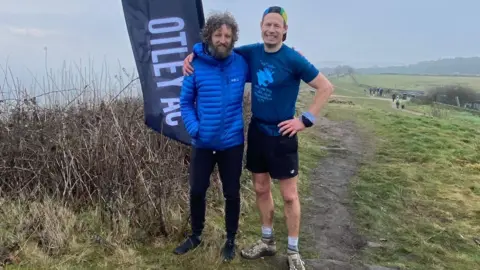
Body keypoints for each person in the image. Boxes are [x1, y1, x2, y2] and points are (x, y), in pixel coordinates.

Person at [183, 6, 334, 270]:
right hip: (257, 132)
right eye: (268, 25)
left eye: (277, 26)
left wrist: (305, 120)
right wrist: (192, 54)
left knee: (289, 195)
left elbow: (326, 87)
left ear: (285, 30)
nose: (272, 30)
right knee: (261, 189)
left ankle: (293, 250)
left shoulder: (293, 58)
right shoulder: (251, 53)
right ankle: (267, 242)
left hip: (283, 134)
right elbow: (217, 50)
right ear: (261, 26)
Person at [174, 11, 249, 262]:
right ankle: (196, 235)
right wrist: (196, 129)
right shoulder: (194, 65)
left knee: (232, 193)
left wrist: (294, 54)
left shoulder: (241, 62)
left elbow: (269, 57)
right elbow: (185, 102)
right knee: (197, 190)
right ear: (209, 36)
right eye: (218, 34)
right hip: (203, 143)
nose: (223, 40)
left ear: (233, 38)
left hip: (232, 143)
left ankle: (230, 239)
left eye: (228, 36)